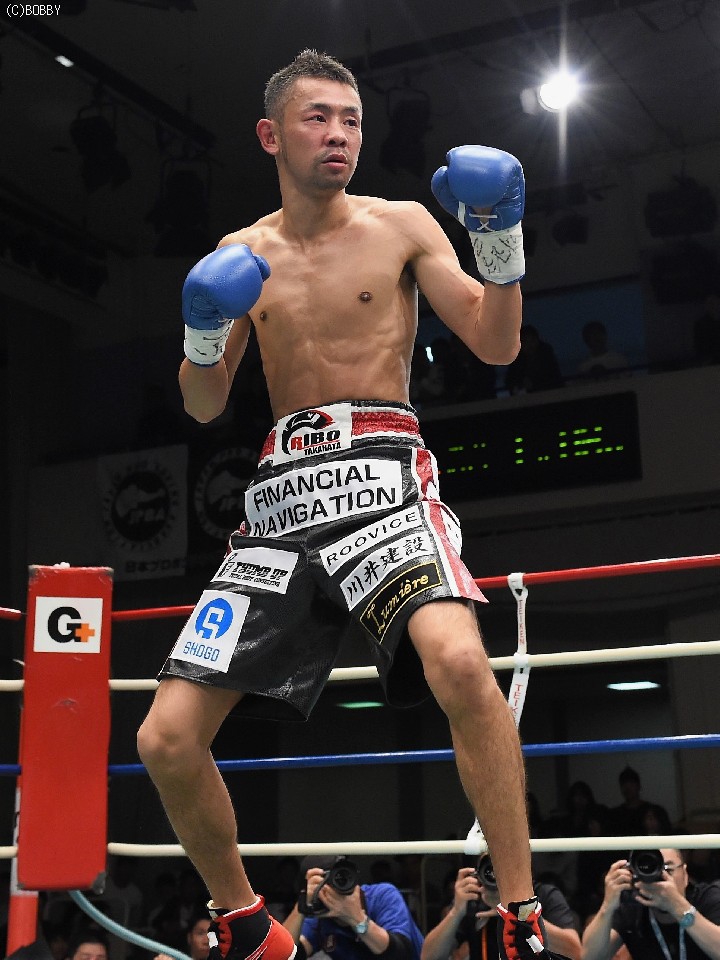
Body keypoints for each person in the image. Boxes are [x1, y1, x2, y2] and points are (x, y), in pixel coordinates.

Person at [137, 47, 550, 960]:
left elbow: (496, 344)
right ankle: (249, 925)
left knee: (460, 660)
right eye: (318, 117)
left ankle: (516, 914)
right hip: (281, 498)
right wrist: (202, 332)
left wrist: (501, 243)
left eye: (352, 120)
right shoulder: (240, 254)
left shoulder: (401, 223)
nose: (340, 135)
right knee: (164, 737)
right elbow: (203, 405)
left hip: (385, 476)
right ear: (271, 135)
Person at [422, 861, 581, 960]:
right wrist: (456, 911)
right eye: (490, 867)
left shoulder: (543, 894)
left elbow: (574, 952)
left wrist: (519, 912)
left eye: (502, 863)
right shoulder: (474, 899)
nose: (497, 873)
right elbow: (428, 957)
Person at [581, 847, 720, 960]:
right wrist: (607, 906)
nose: (661, 880)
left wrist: (678, 907)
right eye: (650, 869)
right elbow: (590, 957)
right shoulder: (632, 908)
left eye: (667, 870)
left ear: (685, 874)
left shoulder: (708, 898)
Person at [282, 856, 423, 960]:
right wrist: (302, 905)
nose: (337, 886)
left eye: (342, 877)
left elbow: (400, 954)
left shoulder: (382, 895)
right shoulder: (320, 915)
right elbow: (285, 955)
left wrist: (356, 919)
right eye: (325, 882)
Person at [609, 767, 670, 838]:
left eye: (631, 784)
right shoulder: (615, 815)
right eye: (624, 785)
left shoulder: (655, 812)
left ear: (638, 786)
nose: (628, 788)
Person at [504, 325, 564, 394]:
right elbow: (510, 380)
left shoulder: (546, 354)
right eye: (525, 342)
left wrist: (534, 383)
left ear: (537, 340)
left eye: (532, 341)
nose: (530, 345)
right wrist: (521, 383)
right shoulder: (516, 358)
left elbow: (553, 377)